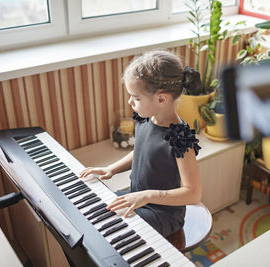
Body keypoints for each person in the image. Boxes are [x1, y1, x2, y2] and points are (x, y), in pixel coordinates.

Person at [79, 50, 202, 238]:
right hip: (138, 197)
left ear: (162, 98)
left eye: (136, 98)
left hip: (164, 213)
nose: (130, 102)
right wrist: (112, 168)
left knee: (110, 230)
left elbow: (192, 194)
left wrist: (147, 196)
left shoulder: (180, 136)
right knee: (93, 210)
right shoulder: (145, 119)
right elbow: (141, 151)